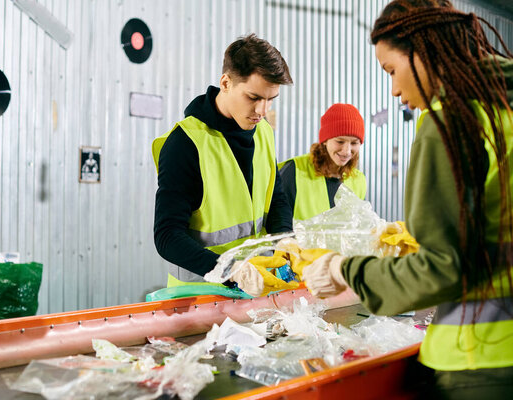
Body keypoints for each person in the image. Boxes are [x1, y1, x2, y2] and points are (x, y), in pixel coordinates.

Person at [302, 1, 513, 397]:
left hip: (481, 355)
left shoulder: (451, 121)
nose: (396, 91)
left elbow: (442, 269)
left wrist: (343, 269)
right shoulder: (503, 110)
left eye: (392, 71)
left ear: (423, 51)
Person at [152, 34, 294, 288]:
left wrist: (284, 240)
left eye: (270, 100)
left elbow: (276, 199)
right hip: (198, 298)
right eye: (254, 97)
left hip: (252, 292)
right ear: (226, 83)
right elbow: (167, 237)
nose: (263, 111)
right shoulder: (185, 143)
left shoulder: (264, 132)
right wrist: (230, 270)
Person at [279, 103, 367, 220]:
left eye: (354, 143)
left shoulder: (358, 180)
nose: (347, 151)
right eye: (340, 141)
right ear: (325, 140)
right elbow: (276, 223)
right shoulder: (293, 171)